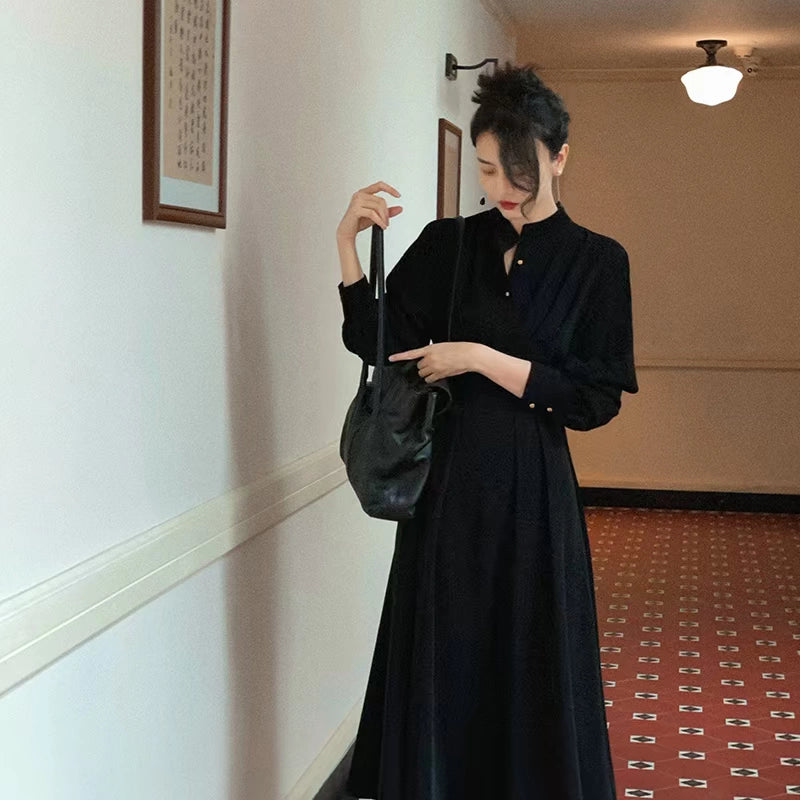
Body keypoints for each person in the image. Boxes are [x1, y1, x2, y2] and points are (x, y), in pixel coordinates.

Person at [335, 63, 638, 800]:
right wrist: (347, 244)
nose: (502, 186)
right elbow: (377, 343)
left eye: (518, 169)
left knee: (531, 654)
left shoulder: (598, 262)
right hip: (447, 489)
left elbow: (595, 398)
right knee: (448, 652)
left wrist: (478, 357)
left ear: (560, 158)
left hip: (535, 492)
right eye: (486, 168)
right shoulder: (448, 244)